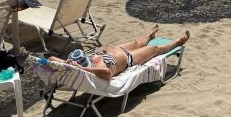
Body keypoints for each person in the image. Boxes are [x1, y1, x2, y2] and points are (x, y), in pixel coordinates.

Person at [47, 25, 190, 80]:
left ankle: (149, 36)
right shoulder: (95, 69)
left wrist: (67, 62)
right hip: (129, 58)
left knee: (137, 43)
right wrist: (82, 68)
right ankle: (178, 42)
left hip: (115, 50)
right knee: (155, 49)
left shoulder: (79, 63)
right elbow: (107, 73)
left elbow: (52, 58)